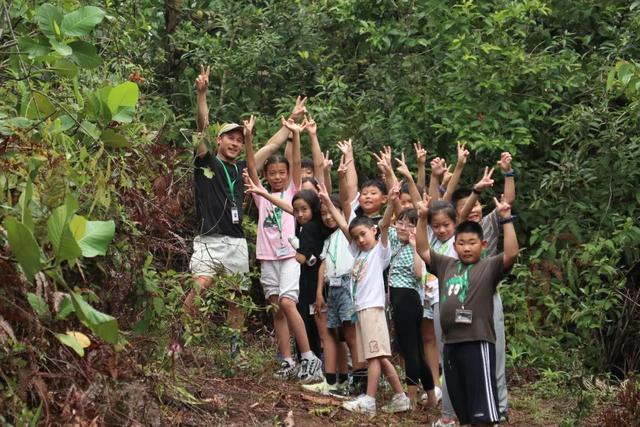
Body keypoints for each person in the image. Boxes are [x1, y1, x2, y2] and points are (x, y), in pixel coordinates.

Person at [184, 64, 307, 351]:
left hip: (236, 242)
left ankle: (234, 348)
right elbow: (201, 127)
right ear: (219, 140)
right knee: (200, 286)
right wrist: (202, 95)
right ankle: (181, 343)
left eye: (240, 140)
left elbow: (269, 145)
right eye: (231, 138)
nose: (237, 143)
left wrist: (291, 120)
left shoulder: (243, 169)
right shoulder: (206, 161)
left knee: (236, 296)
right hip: (209, 240)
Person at [415, 191, 518, 427]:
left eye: (472, 243)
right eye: (461, 243)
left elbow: (511, 253)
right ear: (455, 245)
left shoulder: (488, 267)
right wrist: (422, 218)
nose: (466, 248)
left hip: (477, 342)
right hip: (451, 344)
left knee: (483, 412)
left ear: (482, 245)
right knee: (463, 409)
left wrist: (507, 220)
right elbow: (422, 249)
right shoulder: (446, 264)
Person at [325, 180, 411, 415]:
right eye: (357, 237)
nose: (360, 240)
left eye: (363, 234)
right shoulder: (358, 252)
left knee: (374, 356)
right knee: (381, 356)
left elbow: (384, 225)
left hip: (373, 308)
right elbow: (345, 226)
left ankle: (369, 400)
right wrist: (328, 202)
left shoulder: (380, 251)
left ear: (372, 232)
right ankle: (401, 397)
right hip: (361, 309)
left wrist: (393, 201)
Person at [243, 114, 315, 380]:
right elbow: (251, 167)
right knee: (276, 308)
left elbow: (296, 162)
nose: (277, 177)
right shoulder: (261, 194)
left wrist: (296, 135)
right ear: (266, 176)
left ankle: (308, 357)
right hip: (267, 257)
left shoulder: (293, 193)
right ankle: (286, 359)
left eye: (281, 173)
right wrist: (248, 139)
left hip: (288, 257)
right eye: (272, 174)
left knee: (288, 303)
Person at [451, 152, 517, 420]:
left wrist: (508, 172)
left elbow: (507, 202)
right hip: (462, 298)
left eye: (476, 205)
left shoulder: (488, 223)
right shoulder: (458, 231)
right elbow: (462, 216)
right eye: (467, 205)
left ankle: (499, 408)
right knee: (468, 356)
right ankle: (470, 408)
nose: (474, 208)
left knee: (496, 351)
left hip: (489, 295)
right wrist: (475, 192)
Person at [303, 191, 361, 395]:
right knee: (333, 334)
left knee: (349, 335)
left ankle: (357, 381)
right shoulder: (328, 239)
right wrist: (319, 292)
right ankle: (336, 381)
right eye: (324, 214)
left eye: (332, 212)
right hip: (330, 287)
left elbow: (347, 199)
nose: (328, 217)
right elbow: (323, 264)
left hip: (347, 286)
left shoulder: (350, 233)